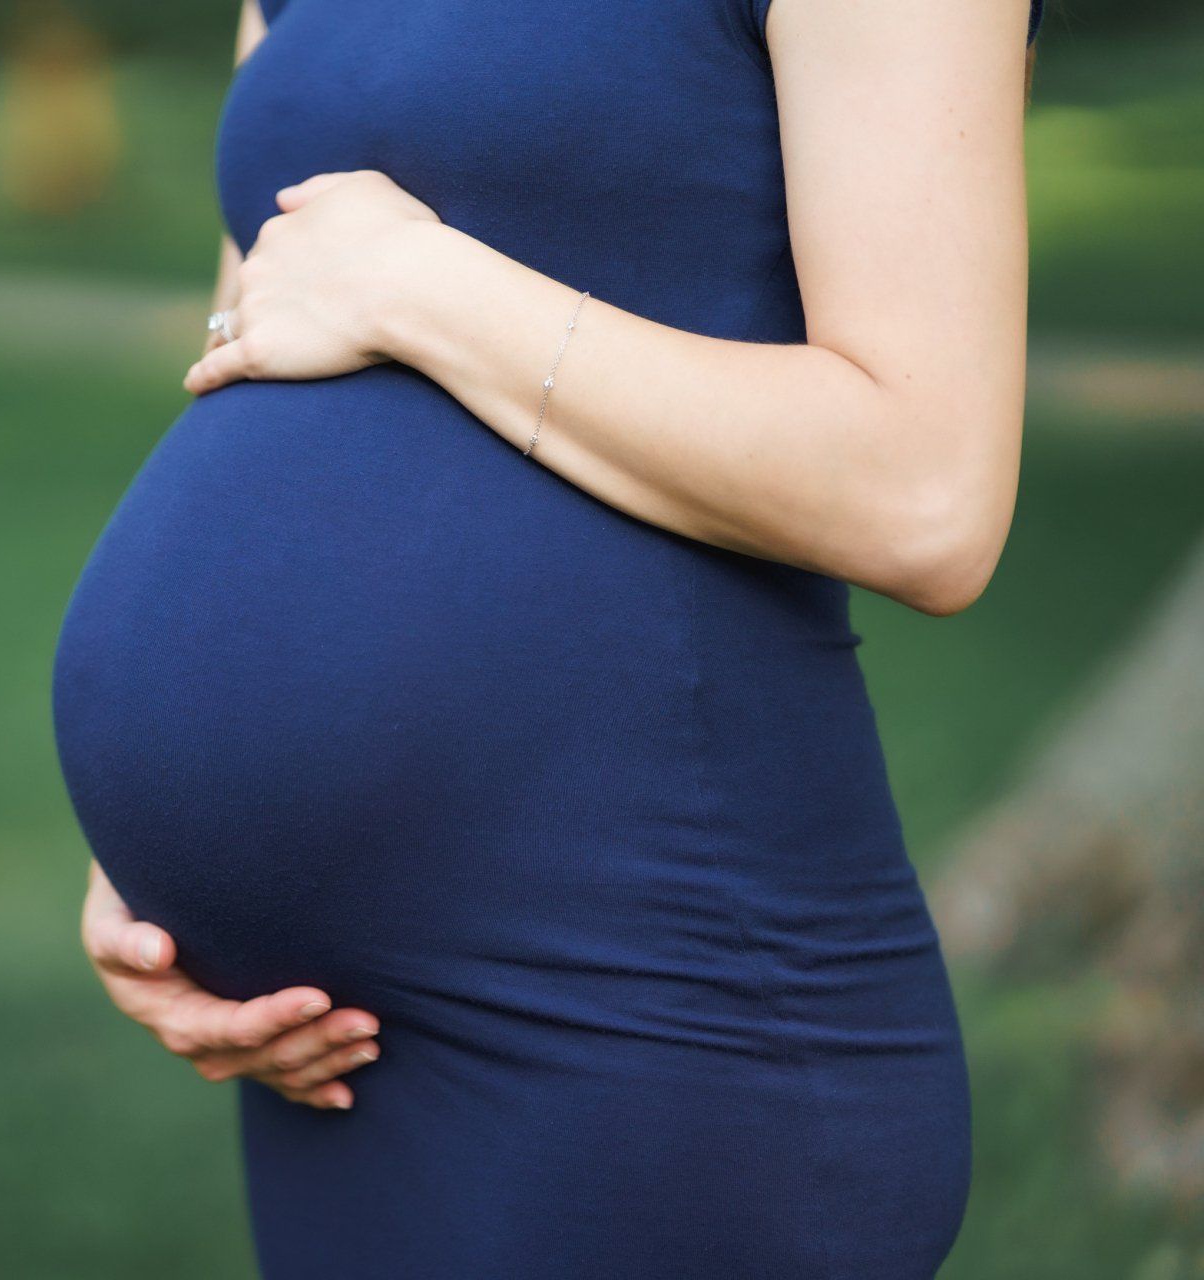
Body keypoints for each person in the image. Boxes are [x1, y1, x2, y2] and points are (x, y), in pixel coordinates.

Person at [53, 0, 1044, 1273]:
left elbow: (926, 494)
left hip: (642, 998)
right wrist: (158, 858)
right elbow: (258, 334)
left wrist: (425, 288)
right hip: (321, 1042)